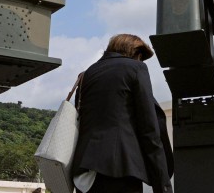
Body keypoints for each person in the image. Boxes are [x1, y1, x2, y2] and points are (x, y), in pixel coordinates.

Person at [71, 34, 172, 193]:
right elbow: (149, 130)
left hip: (85, 174)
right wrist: (162, 185)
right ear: (137, 54)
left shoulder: (87, 74)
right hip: (120, 168)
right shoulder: (136, 68)